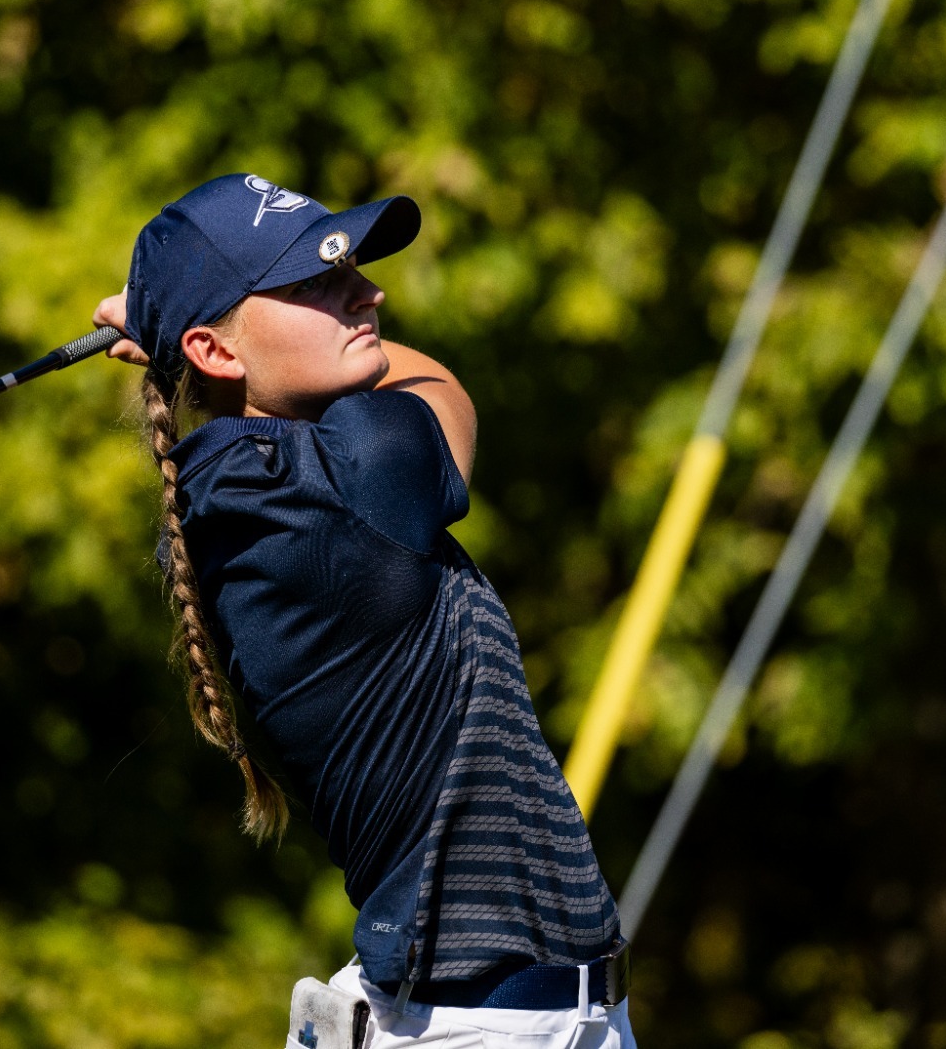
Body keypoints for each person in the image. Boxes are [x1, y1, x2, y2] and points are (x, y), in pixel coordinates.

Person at [91, 174, 634, 1049]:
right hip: (476, 1029)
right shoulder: (351, 472)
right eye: (315, 281)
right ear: (213, 350)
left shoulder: (233, 485)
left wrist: (183, 334)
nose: (368, 292)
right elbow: (441, 385)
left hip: (493, 1017)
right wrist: (164, 326)